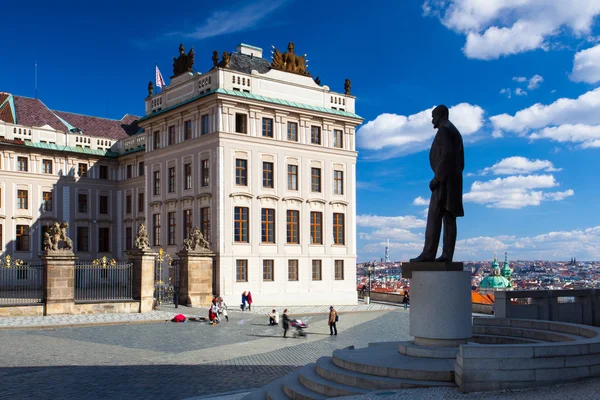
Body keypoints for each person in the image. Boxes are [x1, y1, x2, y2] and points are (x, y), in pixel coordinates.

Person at [410, 105, 464, 263]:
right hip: (453, 179)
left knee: (434, 215)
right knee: (449, 217)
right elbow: (461, 162)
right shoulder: (455, 132)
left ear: (441, 115)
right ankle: (447, 255)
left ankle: (429, 253)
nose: (432, 120)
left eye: (434, 116)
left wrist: (438, 178)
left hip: (444, 180)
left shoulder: (444, 130)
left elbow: (446, 155)